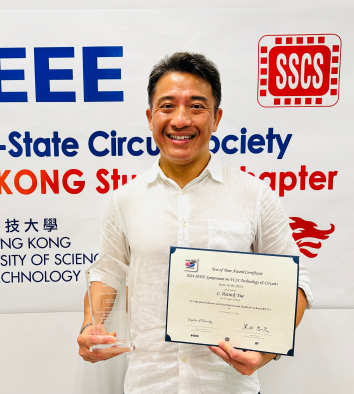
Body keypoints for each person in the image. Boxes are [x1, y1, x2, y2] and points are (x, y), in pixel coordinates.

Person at [77, 52, 313, 394]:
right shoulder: (125, 199)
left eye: (197, 106)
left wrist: (268, 350)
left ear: (216, 118)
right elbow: (109, 272)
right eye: (168, 106)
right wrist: (92, 324)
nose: (181, 119)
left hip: (229, 386)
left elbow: (296, 280)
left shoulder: (254, 194)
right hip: (148, 384)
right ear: (150, 117)